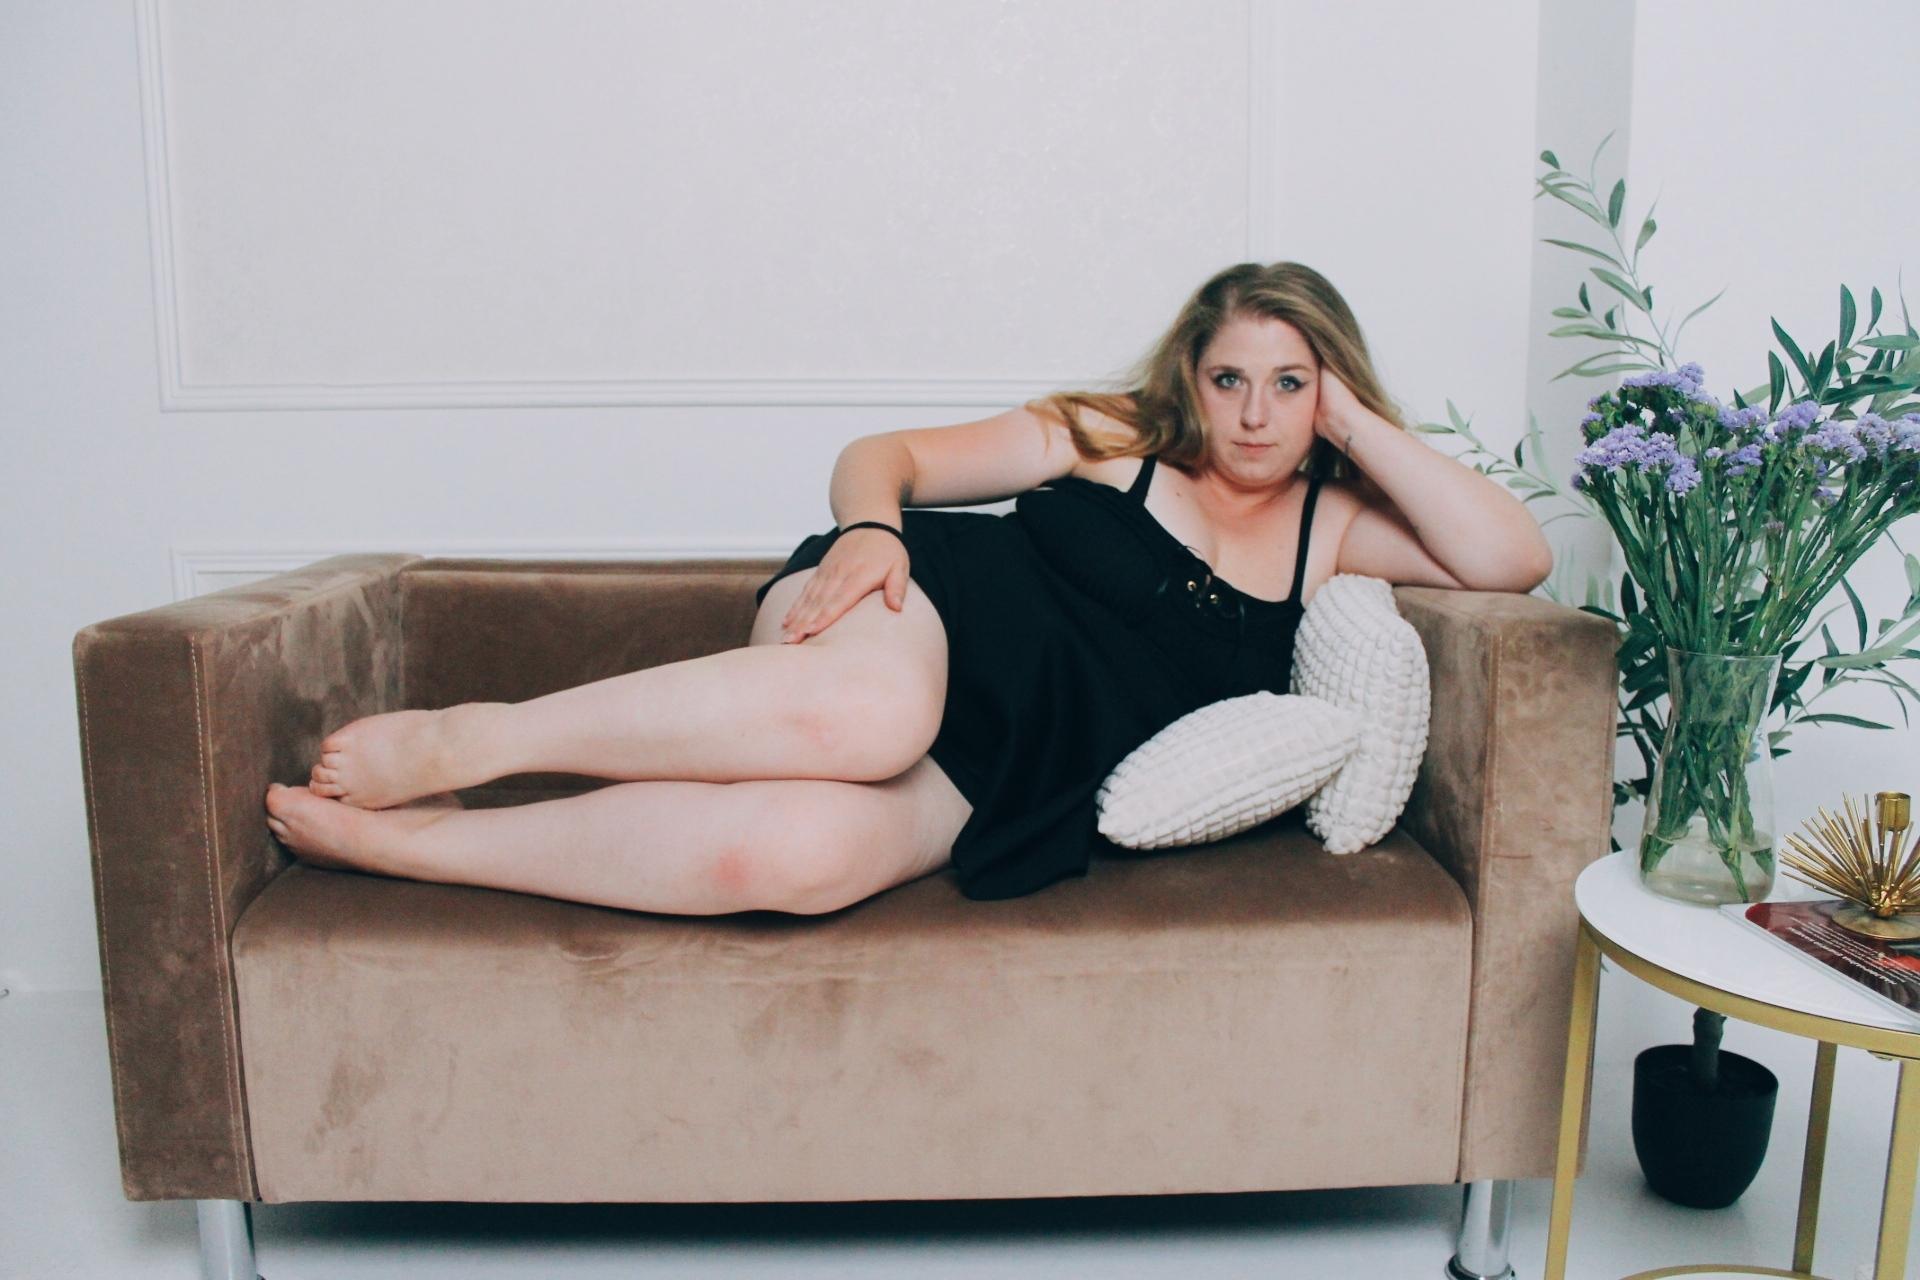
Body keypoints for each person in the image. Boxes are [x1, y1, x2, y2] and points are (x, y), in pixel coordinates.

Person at [262, 261, 1553, 913]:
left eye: (1290, 384)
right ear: (1190, 379)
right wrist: (872, 531)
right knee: (869, 719)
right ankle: (482, 740)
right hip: (919, 615)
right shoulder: (1113, 433)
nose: (1255, 414)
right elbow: (887, 456)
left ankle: (423, 847)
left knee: (790, 859)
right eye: (1231, 379)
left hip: (1015, 766)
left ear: (1327, 390)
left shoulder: (1333, 530)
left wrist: (1355, 422)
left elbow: (1514, 558)